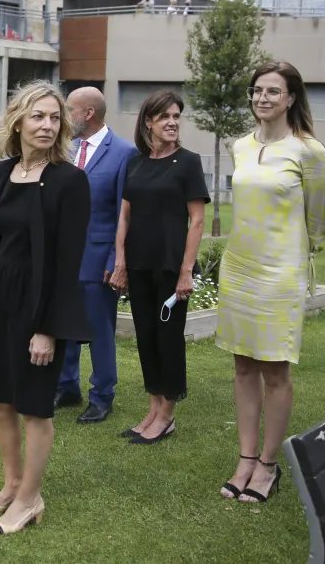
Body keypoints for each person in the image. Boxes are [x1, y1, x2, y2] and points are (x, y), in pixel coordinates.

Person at [0, 81, 91, 535]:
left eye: (55, 117)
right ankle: (12, 484)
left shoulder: (69, 181)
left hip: (39, 303)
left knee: (35, 406)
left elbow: (67, 263)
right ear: (17, 121)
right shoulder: (1, 173)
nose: (47, 125)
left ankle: (30, 498)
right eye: (38, 116)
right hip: (0, 298)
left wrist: (47, 328)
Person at [216, 61, 325, 504]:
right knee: (243, 366)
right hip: (239, 267)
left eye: (272, 91)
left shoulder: (308, 151)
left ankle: (267, 466)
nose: (262, 98)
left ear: (291, 98)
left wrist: (299, 258)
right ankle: (246, 459)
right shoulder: (240, 146)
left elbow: (318, 218)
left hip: (281, 273)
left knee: (275, 370)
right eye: (257, 90)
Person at [109, 91, 209, 445]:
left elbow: (197, 220)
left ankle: (166, 416)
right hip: (139, 264)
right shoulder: (136, 162)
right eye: (164, 116)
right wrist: (120, 261)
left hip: (170, 267)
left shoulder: (188, 162)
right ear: (148, 121)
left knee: (168, 340)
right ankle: (152, 411)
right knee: (147, 338)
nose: (172, 122)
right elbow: (124, 216)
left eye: (176, 116)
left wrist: (186, 271)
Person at [56, 88, 138, 423]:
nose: (65, 116)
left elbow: (124, 213)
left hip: (98, 259)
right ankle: (66, 386)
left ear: (89, 113)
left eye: (69, 109)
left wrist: (115, 262)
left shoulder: (124, 152)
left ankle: (102, 395)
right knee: (63, 323)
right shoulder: (65, 148)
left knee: (99, 331)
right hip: (64, 257)